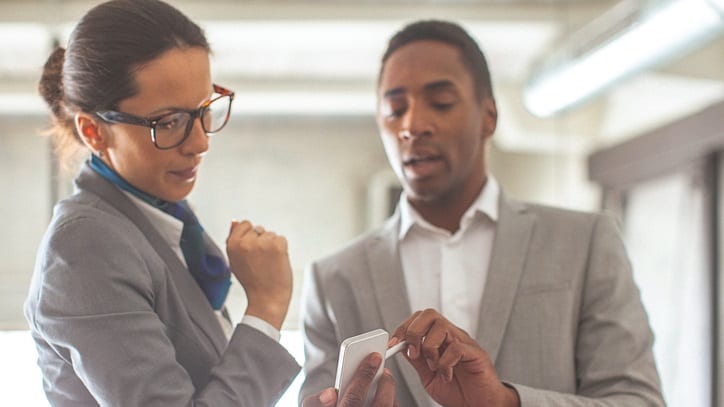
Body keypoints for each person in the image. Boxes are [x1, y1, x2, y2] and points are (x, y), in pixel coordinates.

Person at [24, 1, 394, 406]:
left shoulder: (159, 220)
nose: (200, 142)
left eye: (204, 110)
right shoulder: (87, 246)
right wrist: (266, 307)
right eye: (168, 122)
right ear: (94, 132)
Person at [300, 20, 665, 406]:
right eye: (395, 109)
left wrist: (505, 403)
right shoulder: (333, 279)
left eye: (440, 103)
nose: (412, 126)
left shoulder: (584, 242)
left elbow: (639, 401)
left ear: (488, 117)